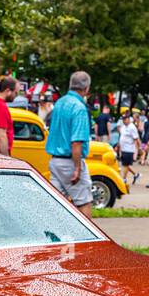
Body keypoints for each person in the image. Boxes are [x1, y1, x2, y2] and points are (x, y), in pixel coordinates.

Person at [44, 70, 96, 218]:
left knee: (57, 203)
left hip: (55, 160)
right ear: (86, 89)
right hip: (70, 162)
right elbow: (77, 141)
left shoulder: (60, 103)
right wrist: (77, 167)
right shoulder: (79, 108)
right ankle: (86, 240)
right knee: (84, 202)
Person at [117, 112, 141, 186]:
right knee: (125, 164)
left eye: (125, 119)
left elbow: (136, 139)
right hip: (123, 149)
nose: (124, 121)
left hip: (129, 149)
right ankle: (136, 174)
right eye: (123, 119)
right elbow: (122, 137)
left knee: (125, 165)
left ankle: (124, 179)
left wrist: (137, 150)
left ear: (128, 119)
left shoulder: (132, 127)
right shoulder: (123, 127)